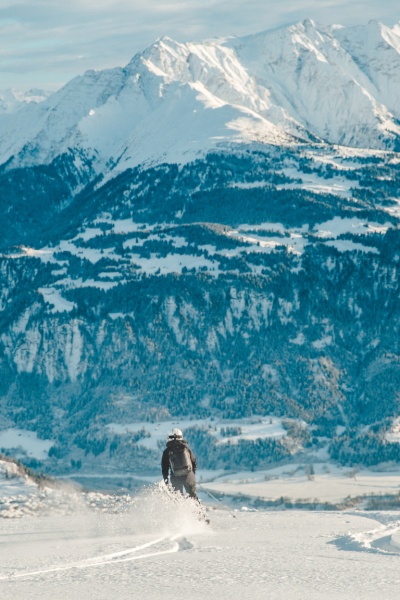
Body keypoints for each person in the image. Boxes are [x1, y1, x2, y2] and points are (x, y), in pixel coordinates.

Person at [161, 428, 198, 499]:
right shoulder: (186, 448)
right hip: (189, 475)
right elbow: (194, 462)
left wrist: (166, 482)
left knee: (177, 498)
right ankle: (198, 509)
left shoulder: (167, 451)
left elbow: (164, 469)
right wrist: (192, 474)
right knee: (193, 496)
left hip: (175, 477)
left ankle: (181, 510)